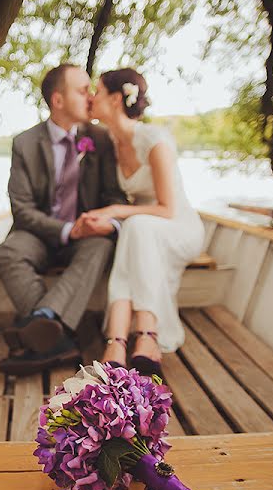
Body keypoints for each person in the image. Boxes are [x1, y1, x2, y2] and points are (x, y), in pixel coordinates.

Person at [0, 64, 126, 375]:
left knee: (101, 246)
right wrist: (67, 229)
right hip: (40, 233)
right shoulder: (25, 143)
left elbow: (116, 198)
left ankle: (41, 325)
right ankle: (58, 336)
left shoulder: (101, 139)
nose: (91, 97)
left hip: (87, 237)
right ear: (58, 100)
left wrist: (106, 223)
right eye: (83, 90)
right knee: (8, 252)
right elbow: (22, 209)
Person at [79, 68, 204, 375]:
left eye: (97, 90)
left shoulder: (155, 139)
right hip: (143, 228)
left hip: (179, 226)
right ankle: (129, 340)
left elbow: (166, 209)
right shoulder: (108, 140)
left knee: (136, 227)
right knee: (135, 230)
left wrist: (115, 212)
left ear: (117, 99)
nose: (91, 97)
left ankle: (127, 337)